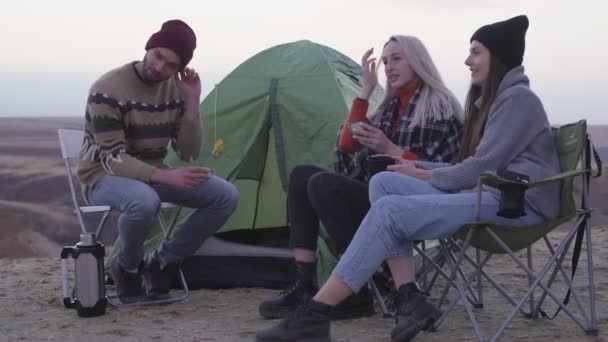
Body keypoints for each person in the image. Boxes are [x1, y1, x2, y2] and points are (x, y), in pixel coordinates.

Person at [255, 15, 561, 342]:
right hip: (490, 191)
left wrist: (422, 170)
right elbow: (349, 145)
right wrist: (415, 164)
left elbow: (477, 167)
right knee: (383, 184)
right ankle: (409, 297)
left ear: (497, 56)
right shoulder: (496, 99)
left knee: (388, 209)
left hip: (515, 202)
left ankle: (317, 313)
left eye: (476, 52)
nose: (467, 61)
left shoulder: (515, 100)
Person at [258, 35, 463, 320]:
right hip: (375, 192)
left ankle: (356, 290)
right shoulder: (390, 107)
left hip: (416, 202)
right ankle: (303, 283)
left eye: (397, 58)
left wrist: (389, 149)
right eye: (386, 60)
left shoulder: (439, 106)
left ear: (417, 61)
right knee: (302, 174)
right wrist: (366, 91)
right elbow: (345, 146)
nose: (389, 66)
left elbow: (445, 170)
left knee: (323, 184)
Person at [77, 19, 239, 303]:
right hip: (102, 177)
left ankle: (163, 262)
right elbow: (113, 158)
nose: (159, 67)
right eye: (158, 56)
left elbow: (188, 153)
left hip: (152, 175)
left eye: (171, 65)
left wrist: (191, 106)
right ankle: (127, 267)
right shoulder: (107, 88)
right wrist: (167, 177)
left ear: (180, 68)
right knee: (144, 201)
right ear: (149, 47)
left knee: (225, 195)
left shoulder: (175, 91)